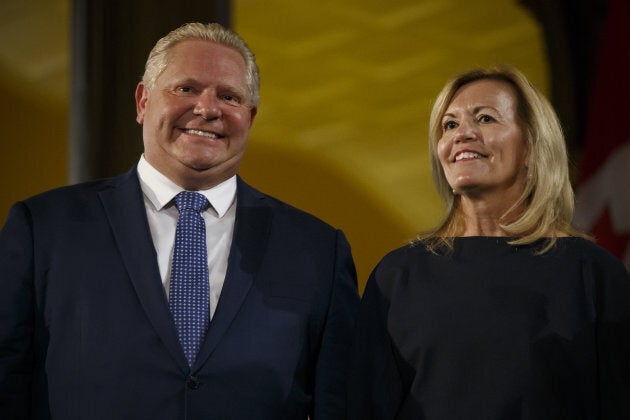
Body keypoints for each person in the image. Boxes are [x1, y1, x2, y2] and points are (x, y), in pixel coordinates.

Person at [0, 22, 359, 419]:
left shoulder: (318, 251)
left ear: (250, 117)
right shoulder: (44, 228)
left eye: (229, 96)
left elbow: (338, 404)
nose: (208, 108)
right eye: (186, 88)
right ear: (142, 102)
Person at [347, 67, 630, 419]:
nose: (463, 134)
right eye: (449, 125)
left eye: (485, 118)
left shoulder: (594, 276)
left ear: (530, 145)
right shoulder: (396, 278)